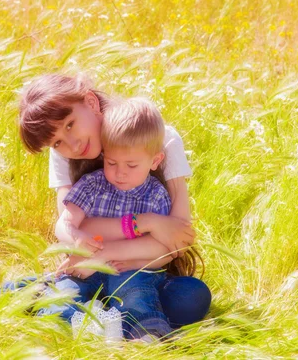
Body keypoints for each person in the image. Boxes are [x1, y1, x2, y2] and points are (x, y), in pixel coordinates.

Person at [17, 74, 211, 329]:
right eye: (57, 142)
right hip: (88, 269)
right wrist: (148, 223)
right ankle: (82, 304)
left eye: (70, 124)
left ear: (91, 102)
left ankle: (72, 303)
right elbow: (74, 230)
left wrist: (107, 253)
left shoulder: (159, 138)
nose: (72, 145)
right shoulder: (63, 157)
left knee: (191, 298)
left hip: (142, 269)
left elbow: (178, 239)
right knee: (65, 307)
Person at [45, 97, 178, 340]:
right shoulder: (92, 184)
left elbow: (165, 252)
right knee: (66, 291)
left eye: (131, 165)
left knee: (137, 293)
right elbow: (64, 224)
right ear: (104, 154)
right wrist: (76, 237)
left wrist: (132, 260)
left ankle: (143, 335)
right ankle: (75, 327)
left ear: (155, 161)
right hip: (87, 269)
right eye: (111, 162)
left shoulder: (157, 196)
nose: (119, 173)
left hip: (130, 270)